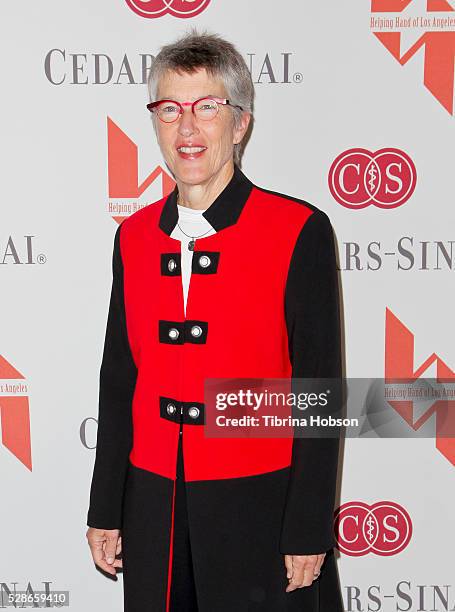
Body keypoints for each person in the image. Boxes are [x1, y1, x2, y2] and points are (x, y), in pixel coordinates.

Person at [86, 29, 345, 612]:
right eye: (170, 109)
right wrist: (107, 505)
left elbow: (319, 391)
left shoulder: (297, 230)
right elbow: (119, 378)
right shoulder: (131, 237)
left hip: (260, 503)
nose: (187, 129)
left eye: (207, 108)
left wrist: (308, 526)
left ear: (242, 121)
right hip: (152, 503)